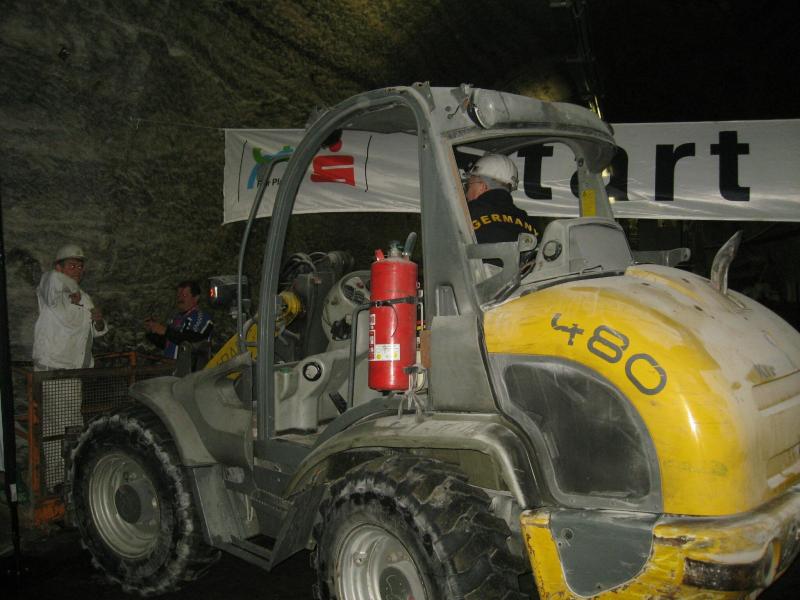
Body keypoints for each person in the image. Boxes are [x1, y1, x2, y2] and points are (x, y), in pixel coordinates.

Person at [32, 243, 108, 370]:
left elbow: (96, 331)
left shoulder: (85, 297)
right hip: (52, 369)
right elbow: (51, 276)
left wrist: (98, 321)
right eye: (72, 266)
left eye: (80, 266)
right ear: (59, 268)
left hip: (77, 369)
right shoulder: (51, 292)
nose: (77, 270)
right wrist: (74, 288)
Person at [465, 153, 537, 245]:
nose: (466, 194)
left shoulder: (467, 214)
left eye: (468, 186)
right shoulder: (529, 223)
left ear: (482, 187)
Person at [145, 280, 213, 360]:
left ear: (196, 298)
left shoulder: (201, 317)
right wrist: (152, 333)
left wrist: (165, 331)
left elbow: (191, 340)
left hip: (189, 366)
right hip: (170, 364)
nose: (180, 298)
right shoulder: (176, 318)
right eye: (178, 295)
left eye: (184, 295)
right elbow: (168, 344)